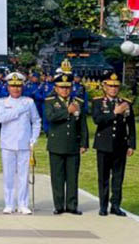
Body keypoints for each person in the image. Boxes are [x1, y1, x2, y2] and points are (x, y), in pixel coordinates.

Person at [91, 71, 136, 217]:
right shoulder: (98, 102)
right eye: (110, 86)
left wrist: (131, 144)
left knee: (118, 177)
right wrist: (115, 112)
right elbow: (97, 120)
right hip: (104, 144)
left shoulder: (126, 103)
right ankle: (103, 206)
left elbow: (131, 125)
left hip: (120, 145)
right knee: (103, 176)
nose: (113, 89)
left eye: (116, 86)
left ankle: (115, 205)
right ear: (104, 87)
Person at [0, 72, 40, 214]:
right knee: (8, 175)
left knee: (23, 175)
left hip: (24, 144)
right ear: (8, 87)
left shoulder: (29, 102)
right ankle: (9, 203)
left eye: (18, 86)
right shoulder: (2, 102)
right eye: (13, 86)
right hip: (8, 144)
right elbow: (1, 118)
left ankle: (23, 203)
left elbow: (36, 121)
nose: (16, 89)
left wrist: (34, 138)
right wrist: (19, 110)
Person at [44, 69, 88, 215]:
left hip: (73, 145)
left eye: (67, 87)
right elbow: (50, 117)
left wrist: (84, 143)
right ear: (56, 88)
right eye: (62, 87)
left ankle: (72, 205)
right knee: (57, 177)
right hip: (56, 144)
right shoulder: (50, 101)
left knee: (72, 177)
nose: (65, 90)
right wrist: (67, 111)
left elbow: (82, 124)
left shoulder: (78, 102)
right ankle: (59, 205)